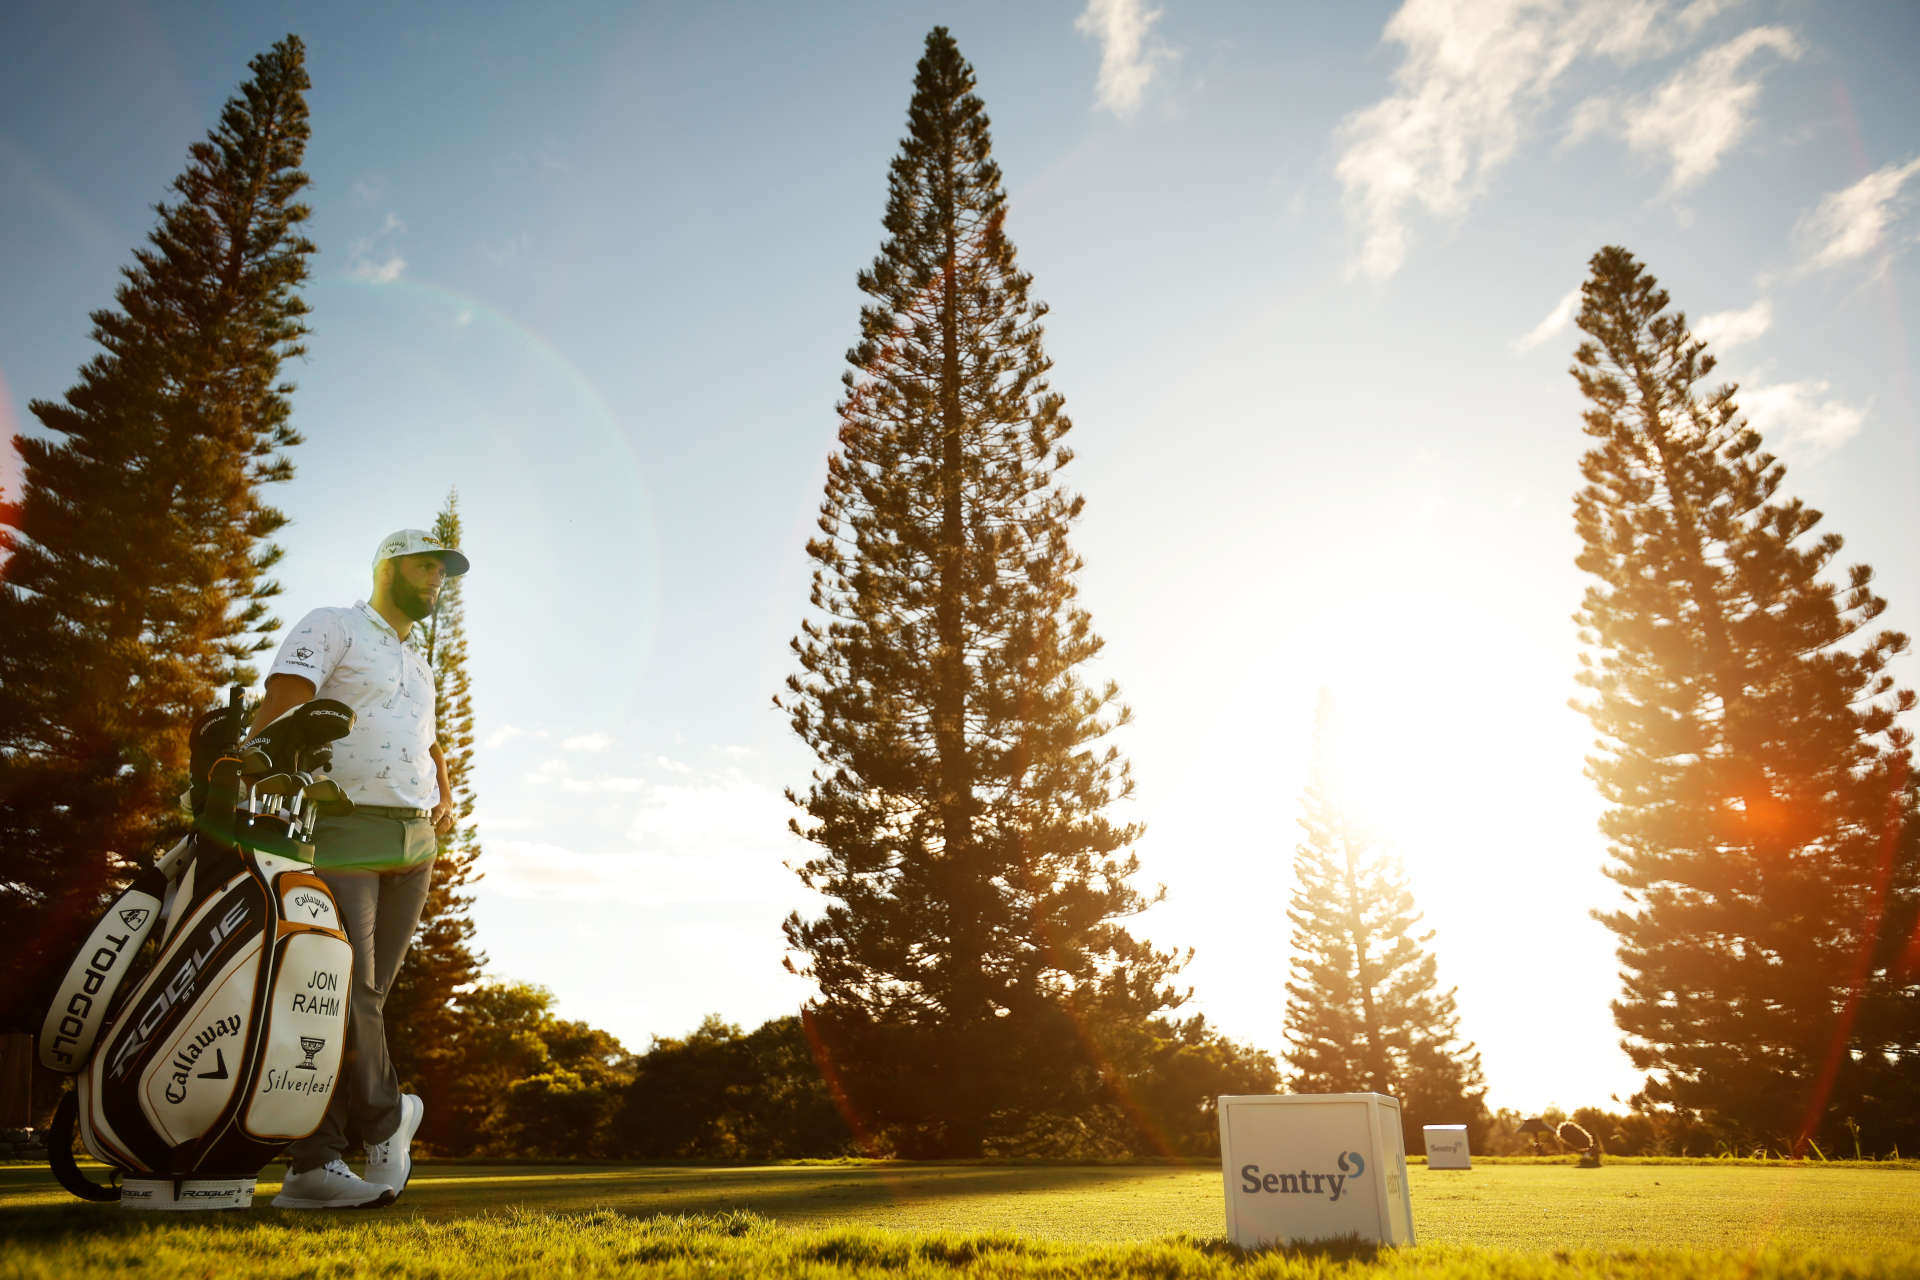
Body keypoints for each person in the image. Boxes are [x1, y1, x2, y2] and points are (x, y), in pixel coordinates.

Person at [257, 528, 469, 1209]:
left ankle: (324, 1162)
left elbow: (427, 742)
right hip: (342, 827)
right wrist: (251, 775)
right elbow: (283, 701)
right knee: (338, 992)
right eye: (426, 565)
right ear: (388, 567)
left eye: (444, 569)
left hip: (413, 843)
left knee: (365, 1000)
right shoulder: (335, 625)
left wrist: (445, 793)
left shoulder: (421, 663)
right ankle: (367, 1129)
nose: (438, 577)